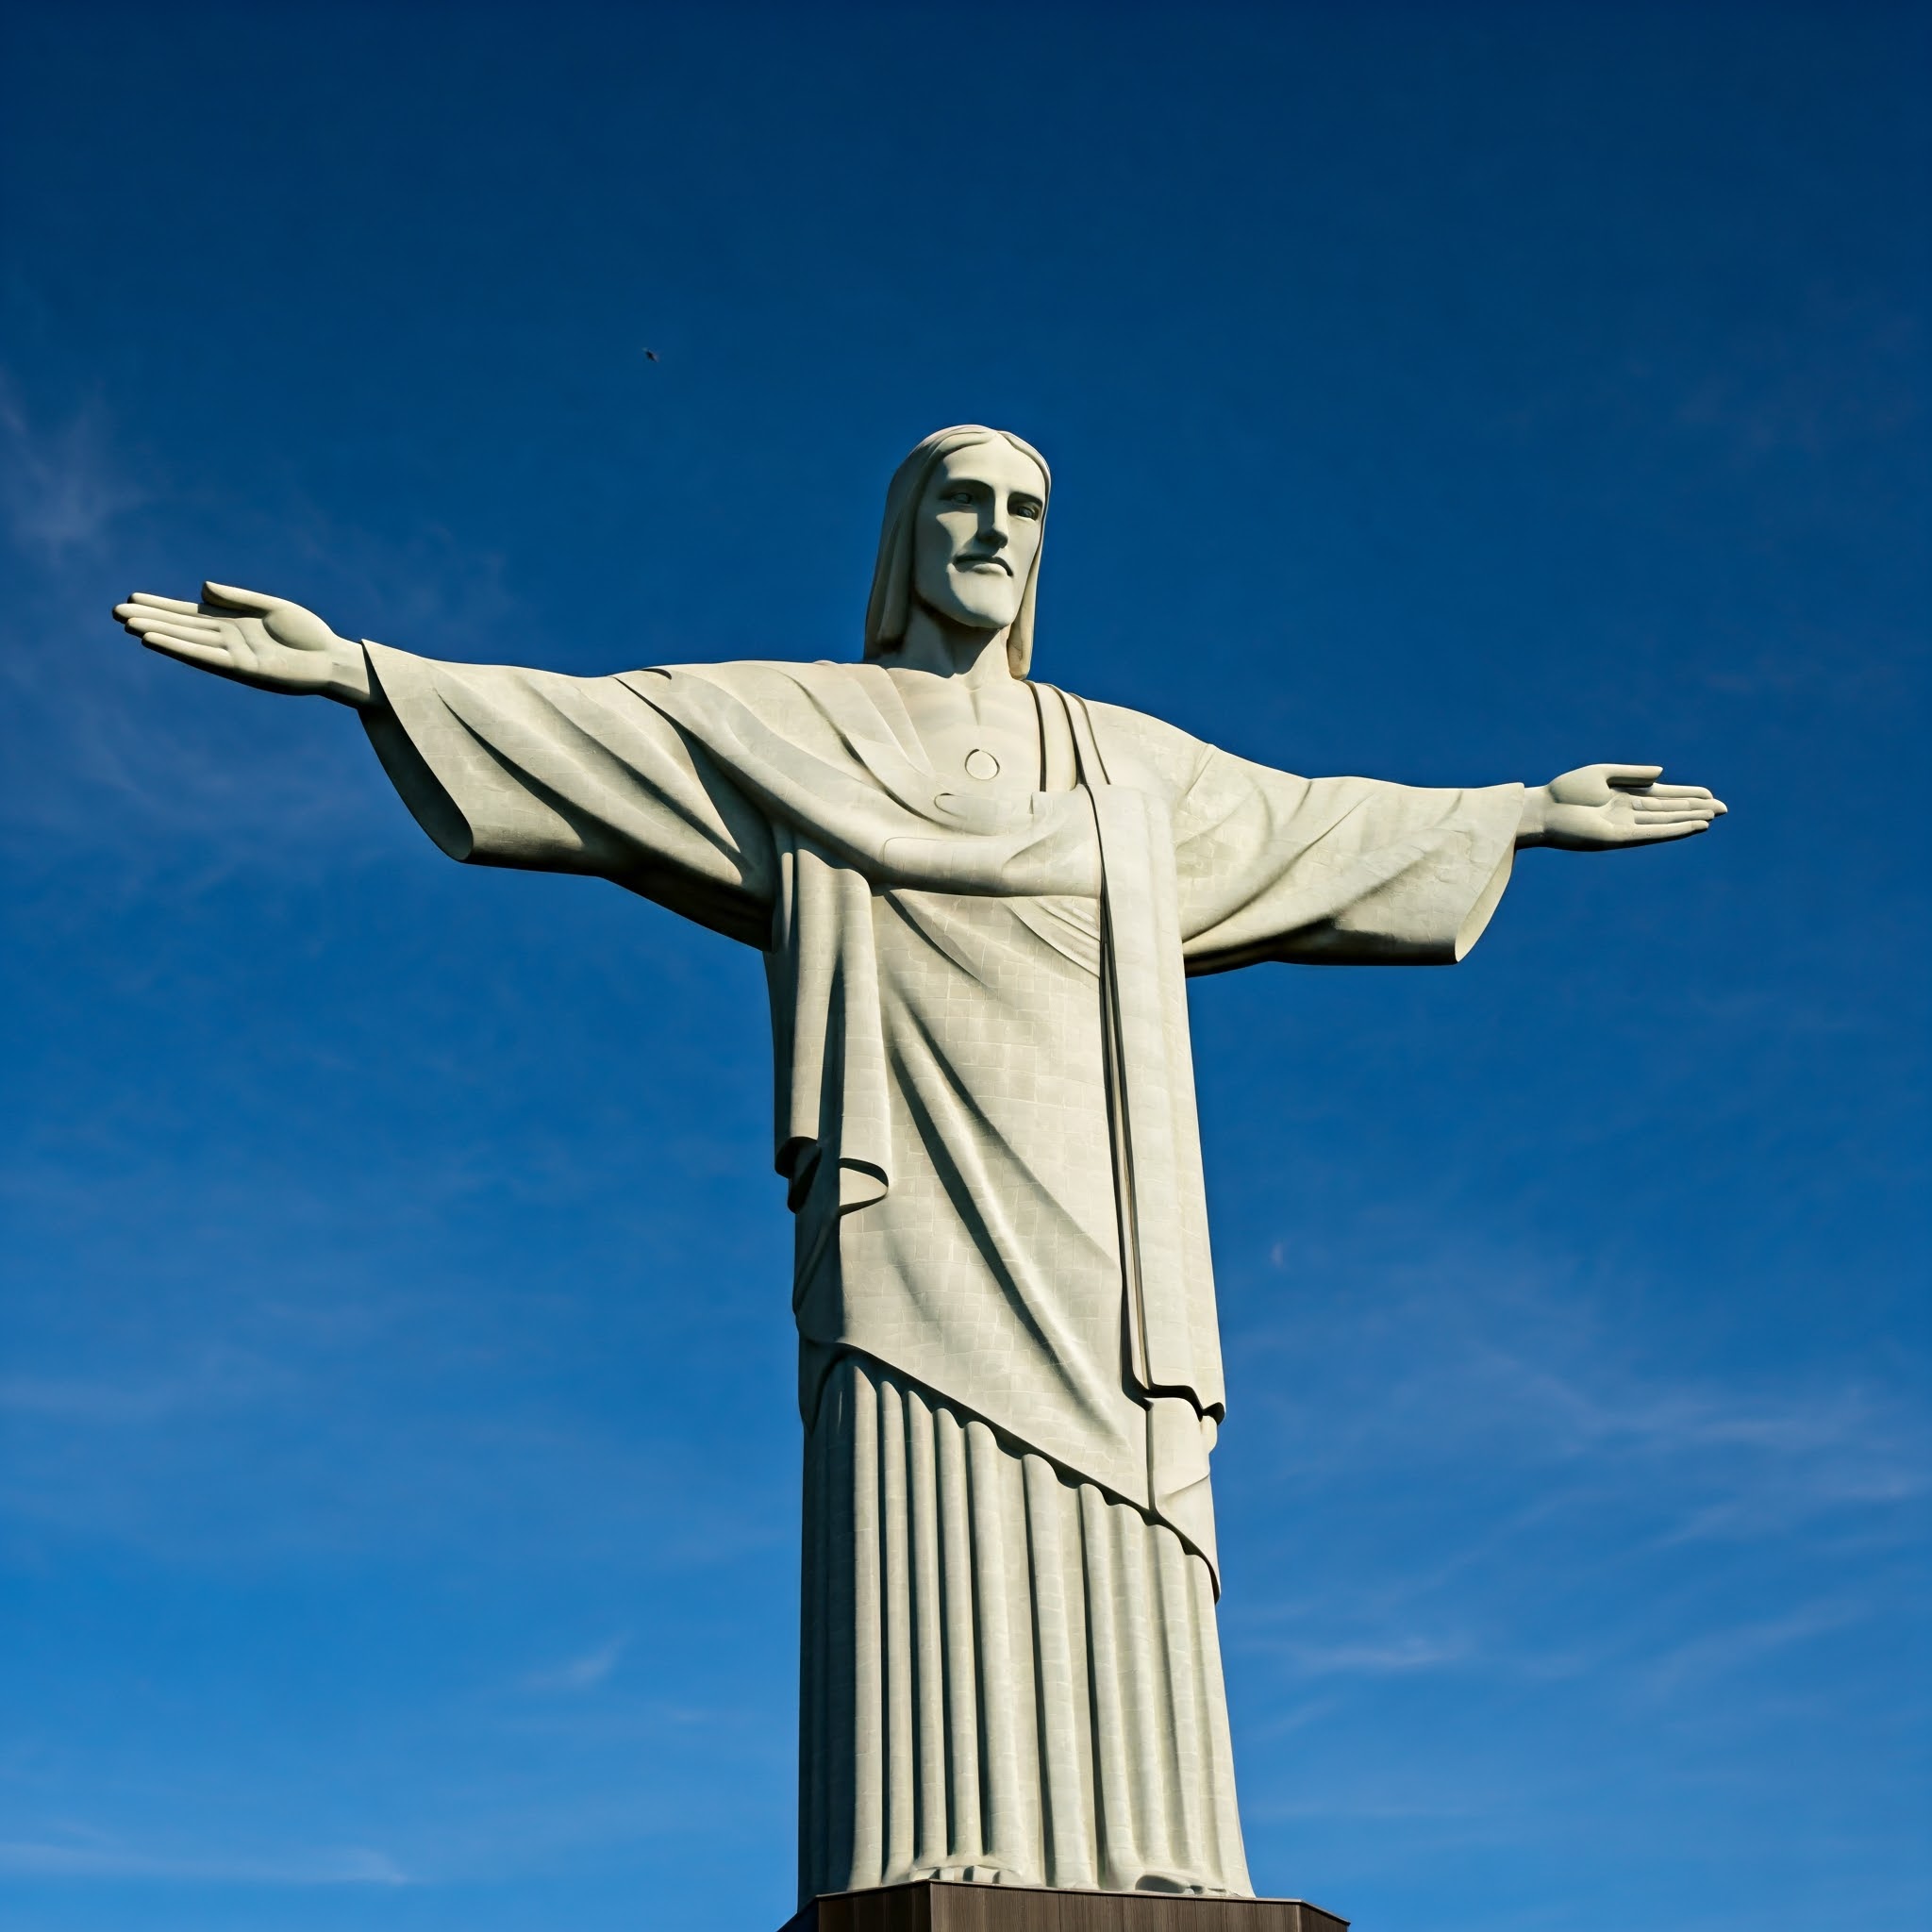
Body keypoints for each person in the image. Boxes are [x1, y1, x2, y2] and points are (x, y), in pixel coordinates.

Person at [113, 425, 1724, 1905]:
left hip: (1102, 1209)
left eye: (1027, 510)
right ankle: (922, 1836)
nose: (997, 531)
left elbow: (1305, 825)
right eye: (964, 501)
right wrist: (366, 673)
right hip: (909, 1198)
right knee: (921, 1486)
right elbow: (602, 732)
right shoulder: (800, 723)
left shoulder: (1121, 763)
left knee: (1126, 1500)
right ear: (906, 539)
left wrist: (1514, 812)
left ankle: (1160, 1856)